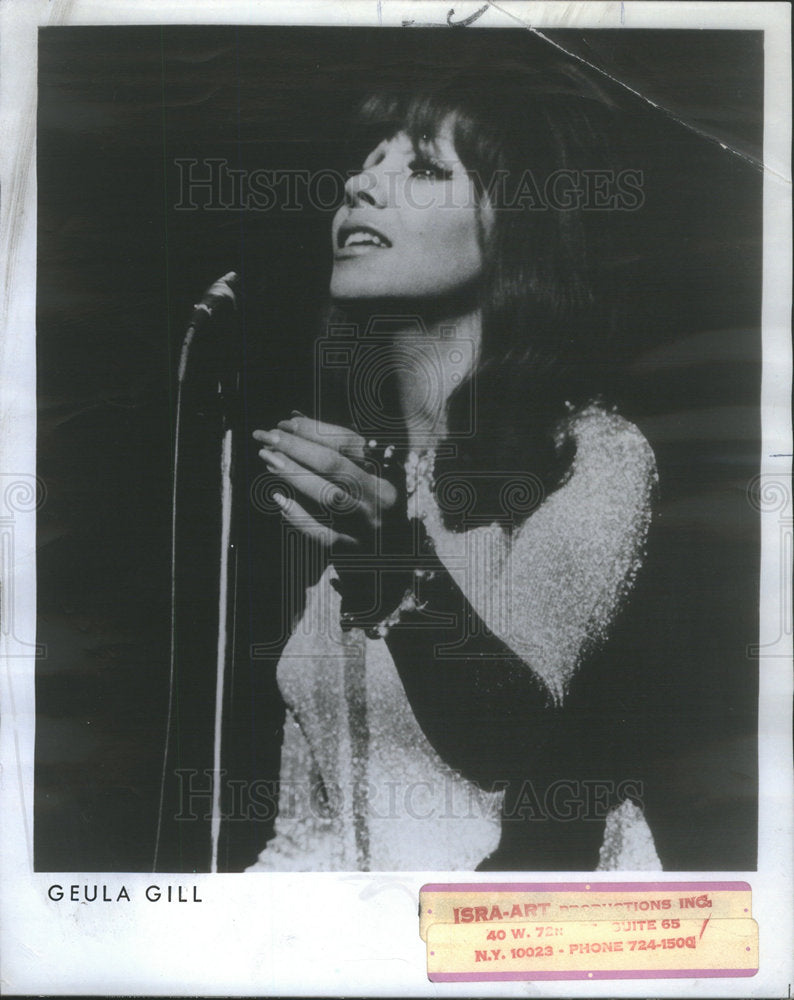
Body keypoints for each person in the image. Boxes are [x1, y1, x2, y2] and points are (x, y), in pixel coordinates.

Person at [246, 58, 662, 872]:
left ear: (513, 224)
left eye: (425, 168)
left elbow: (505, 737)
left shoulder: (595, 456)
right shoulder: (356, 478)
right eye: (367, 163)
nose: (363, 188)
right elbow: (307, 838)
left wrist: (393, 568)